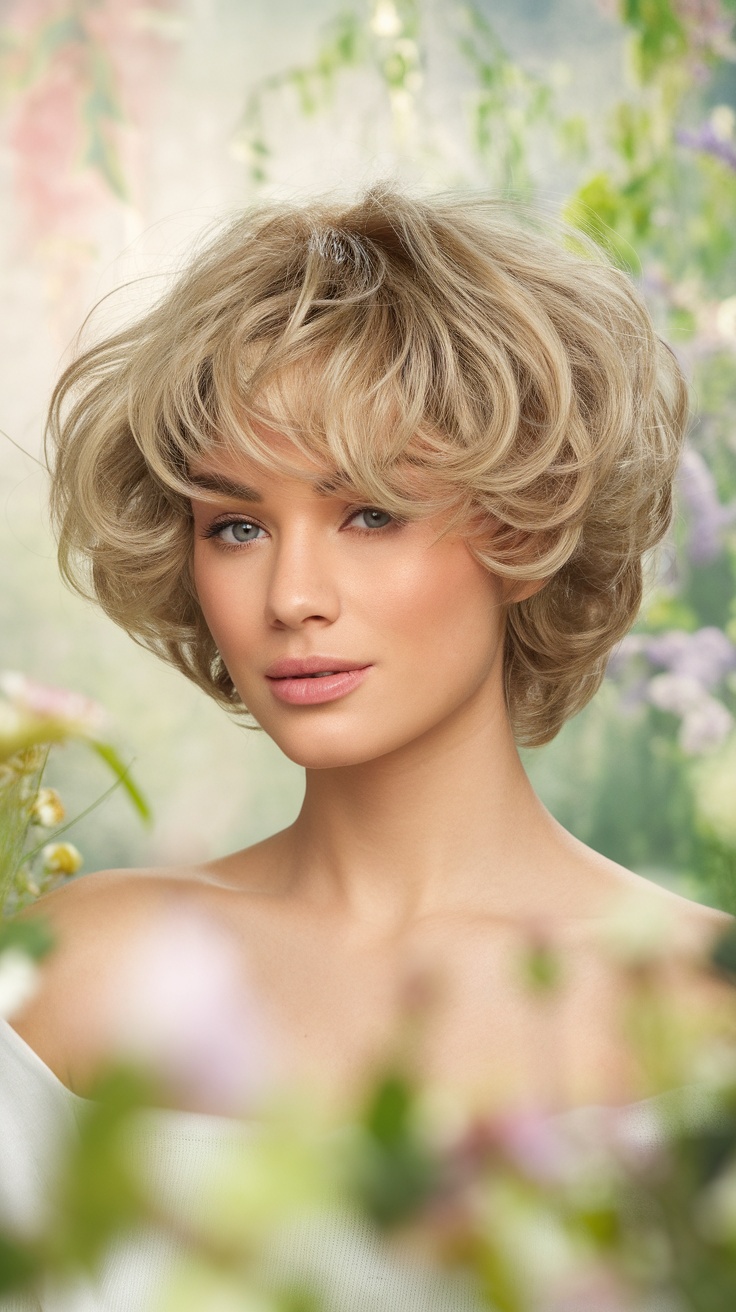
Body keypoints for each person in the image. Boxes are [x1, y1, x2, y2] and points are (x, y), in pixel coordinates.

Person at [0, 187, 731, 1308]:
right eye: (235, 525)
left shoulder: (698, 1005)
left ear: (525, 526)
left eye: (370, 512)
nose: (290, 596)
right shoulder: (74, 983)